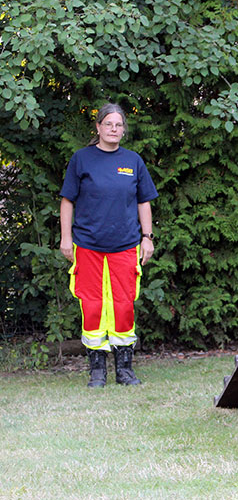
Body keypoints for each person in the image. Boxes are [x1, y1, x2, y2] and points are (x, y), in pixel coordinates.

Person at [59, 103, 158, 388]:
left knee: (124, 305)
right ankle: (97, 371)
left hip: (125, 245)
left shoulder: (134, 161)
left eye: (119, 125)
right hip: (88, 245)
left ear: (123, 130)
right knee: (92, 306)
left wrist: (147, 237)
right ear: (98, 127)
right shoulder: (81, 159)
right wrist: (66, 238)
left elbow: (144, 201)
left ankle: (124, 369)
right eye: (109, 124)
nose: (114, 129)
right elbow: (67, 200)